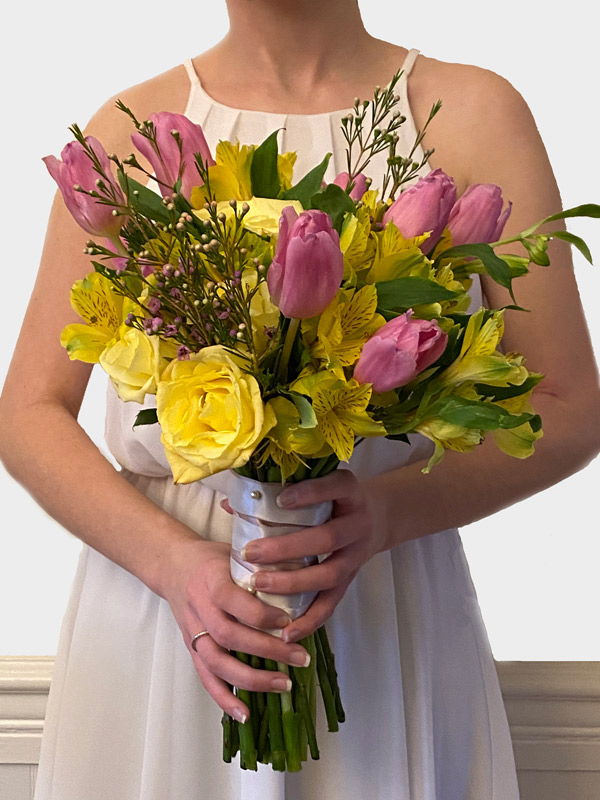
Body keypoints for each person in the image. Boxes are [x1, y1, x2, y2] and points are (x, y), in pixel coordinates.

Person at [1, 0, 599, 797]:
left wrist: (388, 514)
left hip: (378, 591)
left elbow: (568, 404)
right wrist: (172, 564)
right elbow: (29, 411)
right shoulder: (131, 129)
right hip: (163, 604)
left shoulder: (475, 113)